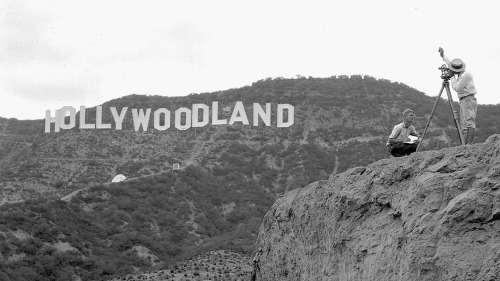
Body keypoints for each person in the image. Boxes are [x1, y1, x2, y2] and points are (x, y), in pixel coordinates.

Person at [439, 47, 478, 144]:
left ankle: (469, 144)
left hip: (468, 99)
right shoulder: (460, 72)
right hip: (463, 100)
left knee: (469, 122)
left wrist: (451, 77)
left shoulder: (465, 75)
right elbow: (451, 64)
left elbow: (456, 87)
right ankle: (464, 145)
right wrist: (443, 56)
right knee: (463, 125)